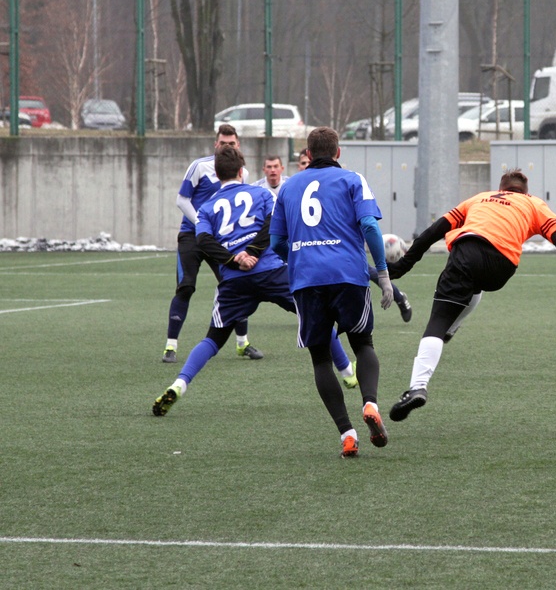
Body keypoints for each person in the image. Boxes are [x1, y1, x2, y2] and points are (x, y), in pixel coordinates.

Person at [385, 168, 556, 423]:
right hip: (501, 267)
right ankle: (453, 327)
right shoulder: (533, 203)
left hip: (467, 252)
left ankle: (418, 386)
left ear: (500, 189)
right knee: (475, 286)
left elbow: (434, 230)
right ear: (524, 192)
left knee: (435, 324)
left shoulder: (480, 198)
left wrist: (405, 265)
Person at [153, 145, 358, 416]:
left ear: (216, 174)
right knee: (316, 316)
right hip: (271, 271)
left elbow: (202, 241)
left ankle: (180, 383)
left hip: (235, 281)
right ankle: (347, 371)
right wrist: (252, 252)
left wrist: (233, 259)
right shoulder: (261, 193)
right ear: (242, 171)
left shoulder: (207, 207)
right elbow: (272, 226)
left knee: (213, 339)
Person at [270, 126, 394, 458]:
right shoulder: (353, 179)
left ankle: (348, 435)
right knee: (363, 343)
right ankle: (369, 403)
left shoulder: (287, 187)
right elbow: (368, 225)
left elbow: (276, 242)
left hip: (307, 280)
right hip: (348, 276)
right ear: (338, 152)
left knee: (321, 357)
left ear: (307, 155)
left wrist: (300, 257)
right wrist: (382, 274)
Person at [161, 124, 262, 363]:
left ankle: (242, 343)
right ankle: (170, 346)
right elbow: (182, 199)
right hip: (192, 236)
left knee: (236, 285)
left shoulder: (243, 173)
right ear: (215, 144)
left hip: (223, 240)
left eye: (232, 143)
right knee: (186, 287)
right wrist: (202, 224)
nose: (227, 147)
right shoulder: (199, 166)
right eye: (223, 143)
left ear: (238, 146)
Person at [297, 145, 414, 323]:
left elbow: (368, 223)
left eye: (307, 161)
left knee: (369, 273)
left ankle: (399, 297)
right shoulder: (295, 185)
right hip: (312, 252)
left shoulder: (339, 181)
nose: (306, 165)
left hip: (338, 251)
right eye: (302, 163)